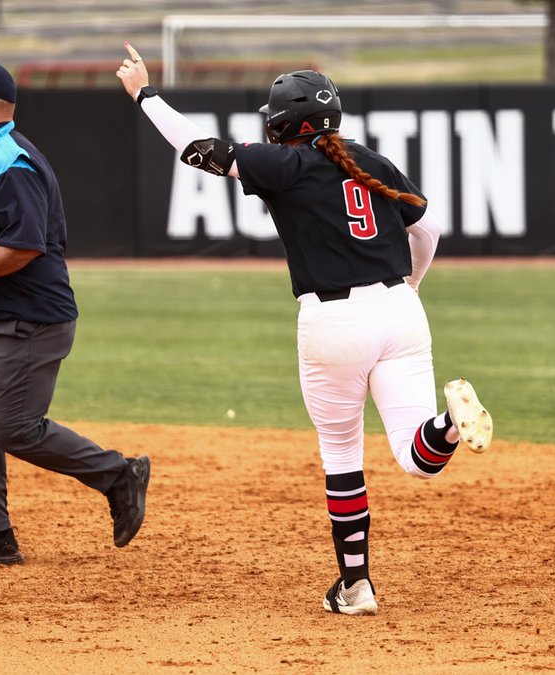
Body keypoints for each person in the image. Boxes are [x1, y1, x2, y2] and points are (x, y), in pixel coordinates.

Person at [116, 43, 493, 615]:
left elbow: (198, 149)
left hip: (333, 320)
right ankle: (446, 425)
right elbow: (429, 231)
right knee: (415, 456)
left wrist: (146, 94)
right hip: (400, 312)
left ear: (283, 122)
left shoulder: (285, 164)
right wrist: (411, 286)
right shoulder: (373, 162)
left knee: (341, 454)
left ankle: (357, 587)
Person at [0, 60, 150, 567]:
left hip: (26, 319)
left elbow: (24, 244)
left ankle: (118, 475)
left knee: (15, 426)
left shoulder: (10, 158)